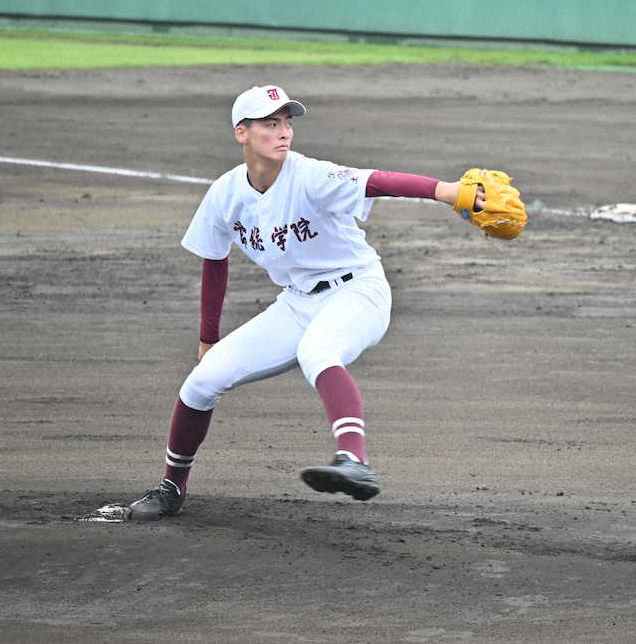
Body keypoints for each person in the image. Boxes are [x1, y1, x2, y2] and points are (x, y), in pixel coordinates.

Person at [129, 84, 487, 520]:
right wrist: (208, 339)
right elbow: (214, 262)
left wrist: (446, 191)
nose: (283, 133)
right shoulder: (224, 193)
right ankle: (171, 487)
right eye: (269, 124)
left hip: (358, 291)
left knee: (318, 351)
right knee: (201, 383)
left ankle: (354, 461)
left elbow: (377, 181)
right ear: (242, 133)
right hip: (296, 304)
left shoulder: (311, 175)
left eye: (286, 123)